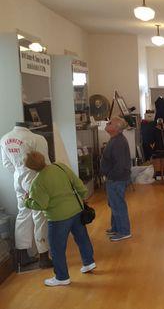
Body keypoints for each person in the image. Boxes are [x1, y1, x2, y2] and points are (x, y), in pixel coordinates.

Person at [24, 151, 95, 286]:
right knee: (82, 238)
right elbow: (77, 182)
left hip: (58, 218)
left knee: (57, 248)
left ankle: (62, 277)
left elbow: (41, 204)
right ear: (43, 158)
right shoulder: (60, 167)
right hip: (76, 210)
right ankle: (89, 262)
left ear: (31, 168)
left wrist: (26, 201)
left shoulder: (37, 182)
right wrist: (83, 195)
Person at [0, 123, 52, 268]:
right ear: (28, 126)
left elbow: (6, 164)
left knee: (23, 214)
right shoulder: (37, 138)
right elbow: (45, 163)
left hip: (18, 178)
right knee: (40, 216)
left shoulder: (4, 139)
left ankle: (22, 255)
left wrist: (20, 173)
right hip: (35, 179)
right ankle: (43, 256)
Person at [101, 116, 132, 241]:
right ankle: (116, 228)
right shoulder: (115, 139)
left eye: (110, 123)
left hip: (116, 179)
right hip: (114, 178)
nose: (107, 123)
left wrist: (110, 176)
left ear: (116, 128)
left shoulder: (118, 142)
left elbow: (120, 165)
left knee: (118, 205)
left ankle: (124, 231)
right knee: (114, 204)